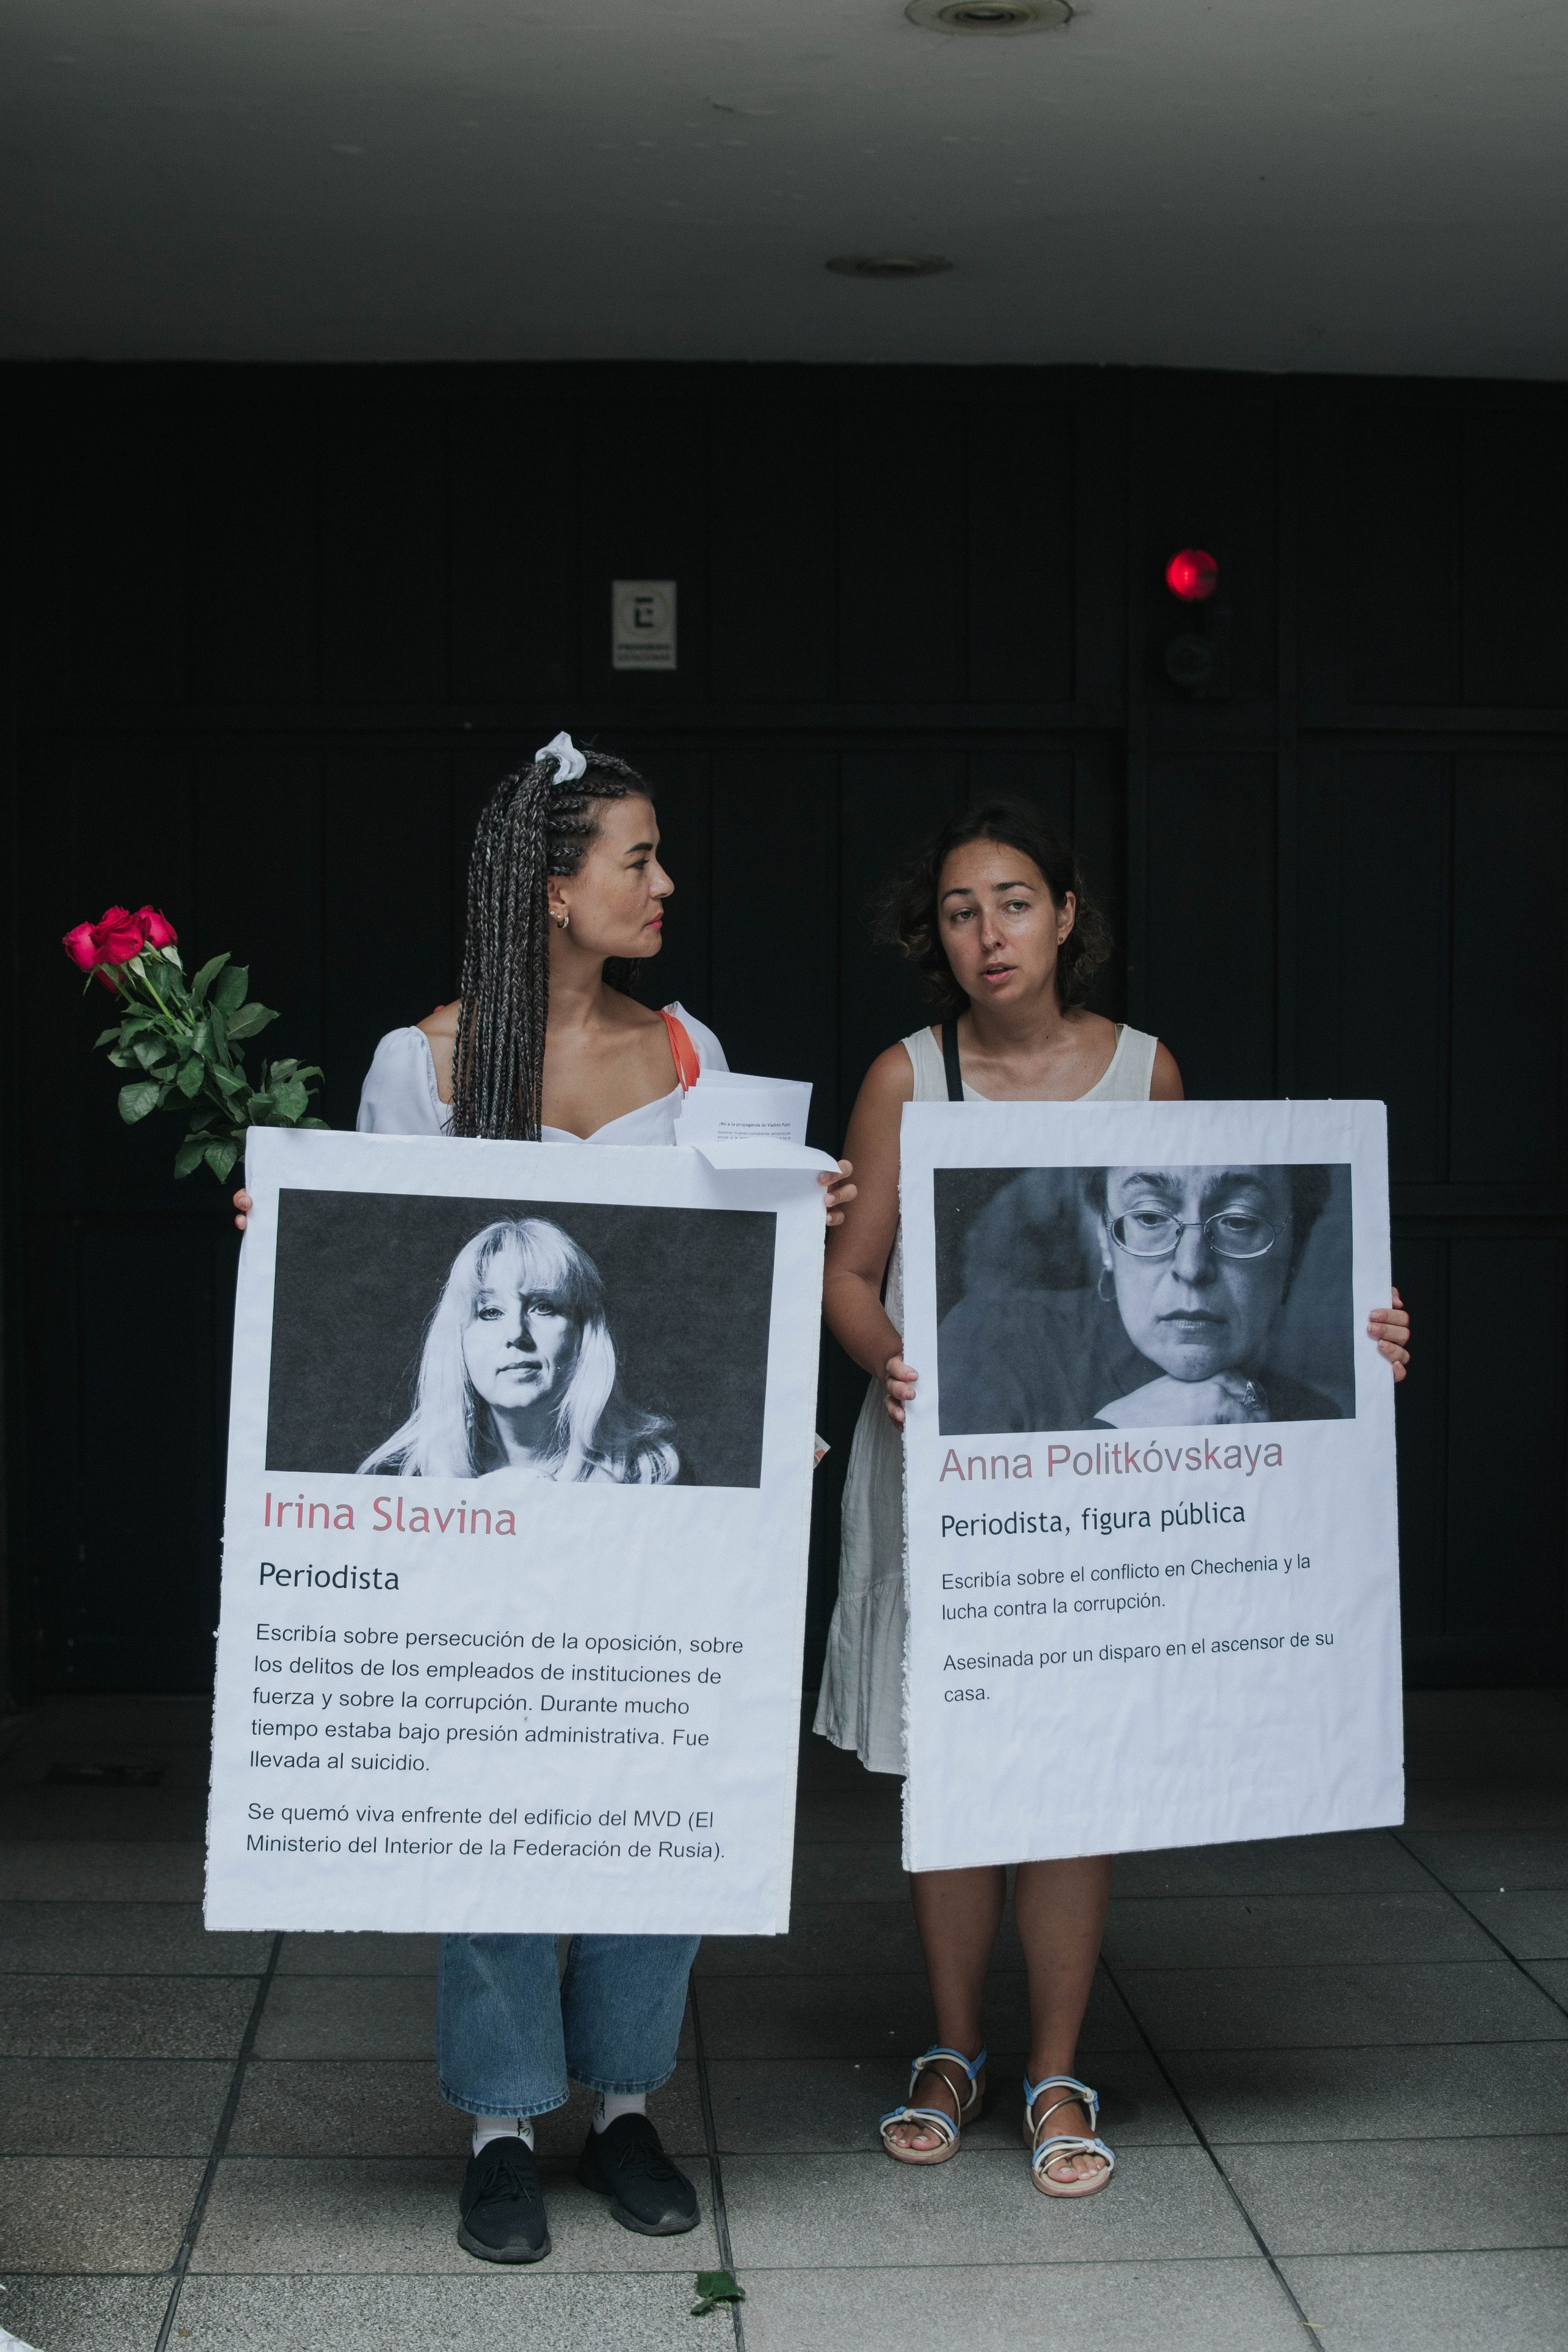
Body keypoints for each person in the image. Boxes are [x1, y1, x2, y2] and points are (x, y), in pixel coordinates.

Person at [235, 731, 852, 2264]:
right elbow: (382, 1269)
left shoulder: (693, 1051)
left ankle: (626, 2100)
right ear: (553, 888)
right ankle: (502, 2123)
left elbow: (725, 1303)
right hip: (476, 1515)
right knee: (494, 1806)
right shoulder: (424, 1062)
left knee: (656, 1790)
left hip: (649, 1503)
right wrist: (285, 1223)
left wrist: (802, 1222)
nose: (662, 884)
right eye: (635, 858)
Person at [817, 797, 1410, 2199]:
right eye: (959, 910)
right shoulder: (908, 1078)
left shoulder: (1144, 1073)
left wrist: (1357, 1335)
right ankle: (955, 2048)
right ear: (936, 935)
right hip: (940, 1469)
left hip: (1106, 1487)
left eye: (1013, 901)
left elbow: (1216, 1254)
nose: (987, 933)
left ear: (1065, 915)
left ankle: (1057, 2063)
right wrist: (894, 1362)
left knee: (1073, 1764)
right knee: (951, 1768)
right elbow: (844, 1272)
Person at [938, 1161, 1345, 1434]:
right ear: (1104, 1236)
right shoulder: (989, 1345)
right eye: (1150, 1217)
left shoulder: (1314, 1418)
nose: (1191, 1266)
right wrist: (1121, 1436)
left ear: (1296, 1249)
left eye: (1238, 1221)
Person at [360, 1214, 679, 1483]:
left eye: (543, 1307)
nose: (516, 1334)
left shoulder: (654, 1474)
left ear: (583, 1332)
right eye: (490, 1312)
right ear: (457, 1340)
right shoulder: (399, 1478)